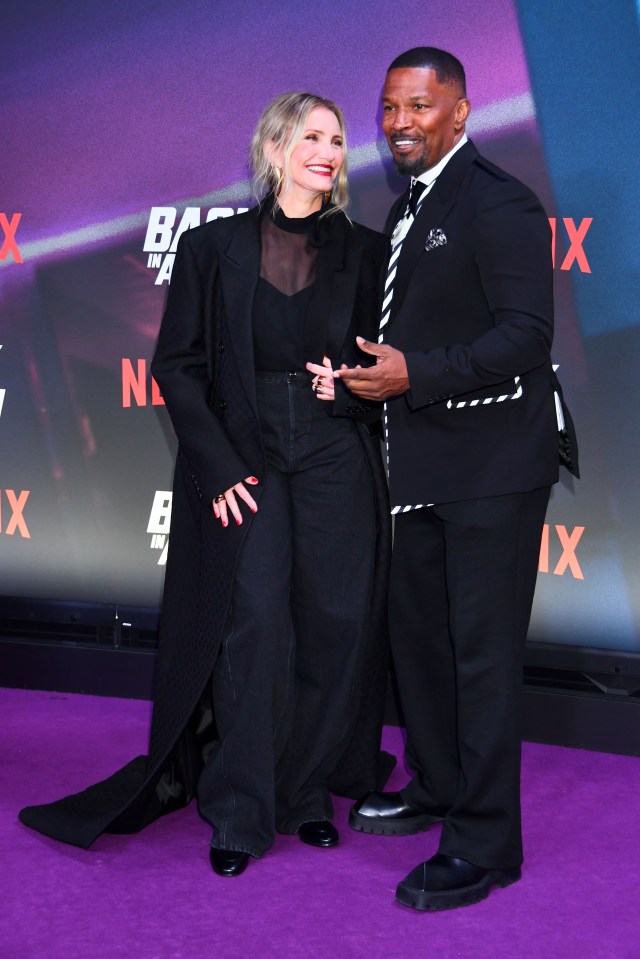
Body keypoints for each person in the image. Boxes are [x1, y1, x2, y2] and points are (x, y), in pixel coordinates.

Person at [19, 92, 393, 875]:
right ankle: (241, 806)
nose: (327, 150)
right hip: (245, 450)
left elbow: (384, 359)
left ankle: (303, 795)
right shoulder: (213, 246)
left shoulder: (366, 248)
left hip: (332, 448)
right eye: (310, 135)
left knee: (334, 621)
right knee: (254, 621)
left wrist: (352, 385)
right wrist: (221, 466)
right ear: (275, 147)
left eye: (336, 138)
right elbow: (178, 367)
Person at [337, 48, 579, 911]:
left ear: (461, 113)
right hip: (422, 471)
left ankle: (485, 842)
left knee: (478, 660)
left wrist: (415, 375)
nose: (400, 121)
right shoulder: (407, 208)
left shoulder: (499, 202)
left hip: (491, 472)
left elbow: (525, 336)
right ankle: (438, 784)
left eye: (419, 106)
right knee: (424, 650)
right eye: (390, 105)